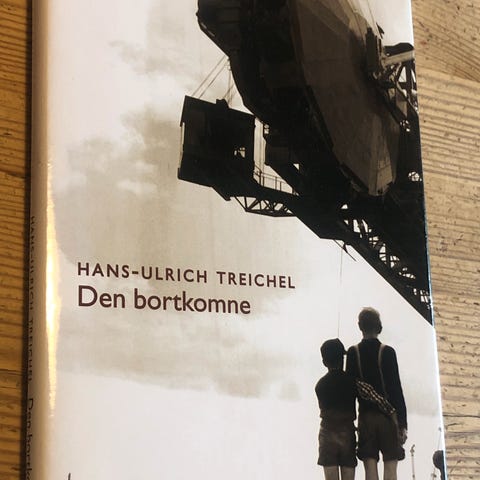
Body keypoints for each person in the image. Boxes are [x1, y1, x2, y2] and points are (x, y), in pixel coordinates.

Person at [346, 308, 407, 480]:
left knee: (370, 470)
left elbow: (351, 391)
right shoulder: (388, 352)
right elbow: (396, 389)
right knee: (391, 468)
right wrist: (402, 423)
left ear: (360, 326)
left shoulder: (353, 352)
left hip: (366, 418)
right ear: (379, 326)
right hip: (388, 417)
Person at [315, 338, 357, 480]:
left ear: (324, 362)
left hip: (327, 431)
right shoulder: (351, 381)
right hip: (347, 432)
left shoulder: (320, 385)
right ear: (342, 359)